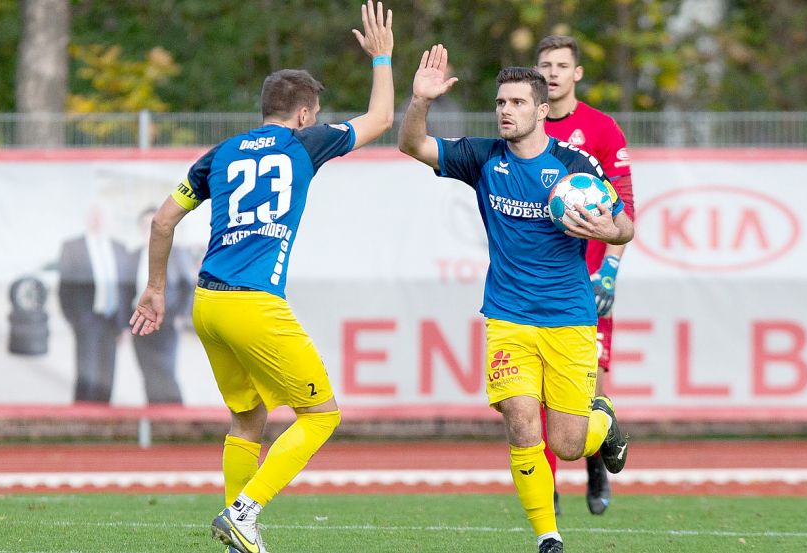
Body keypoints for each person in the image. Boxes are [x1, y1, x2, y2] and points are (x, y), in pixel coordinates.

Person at [129, 2, 394, 552]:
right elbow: (381, 120)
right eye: (315, 114)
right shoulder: (305, 143)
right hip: (254, 305)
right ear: (302, 116)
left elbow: (162, 219)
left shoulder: (220, 154)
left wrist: (155, 289)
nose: (318, 123)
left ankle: (235, 535)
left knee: (247, 418)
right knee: (322, 415)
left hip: (208, 304)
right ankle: (244, 513)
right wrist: (382, 59)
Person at [398, 46, 632, 553]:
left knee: (569, 445)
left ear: (541, 110)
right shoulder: (483, 158)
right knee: (522, 422)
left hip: (569, 318)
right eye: (500, 102)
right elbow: (412, 145)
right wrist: (420, 100)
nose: (505, 110)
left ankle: (603, 425)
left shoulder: (575, 165)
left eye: (517, 103)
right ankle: (548, 535)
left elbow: (626, 224)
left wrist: (609, 227)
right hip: (508, 317)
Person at [535, 34, 636, 516]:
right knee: (533, 393)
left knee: (586, 389)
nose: (552, 73)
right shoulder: (526, 130)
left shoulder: (601, 128)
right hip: (537, 285)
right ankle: (547, 491)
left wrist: (610, 272)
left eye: (561, 65)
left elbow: (626, 208)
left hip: (589, 284)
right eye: (545, 65)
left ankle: (596, 467)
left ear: (576, 73)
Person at [57, 203, 134, 403]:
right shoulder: (72, 247)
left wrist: (126, 324)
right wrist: (73, 319)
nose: (98, 220)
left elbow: (126, 290)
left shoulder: (119, 247)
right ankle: (82, 415)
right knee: (86, 372)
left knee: (108, 372)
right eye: (94, 216)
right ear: (87, 219)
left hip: (113, 320)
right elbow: (64, 287)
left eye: (102, 216)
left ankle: (103, 415)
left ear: (109, 221)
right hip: (87, 319)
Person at [129, 207, 192, 404]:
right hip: (139, 325)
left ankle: (177, 421)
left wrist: (181, 315)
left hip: (166, 321)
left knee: (166, 371)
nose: (150, 230)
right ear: (140, 229)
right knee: (148, 373)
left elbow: (188, 285)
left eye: (154, 225)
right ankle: (155, 422)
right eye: (146, 226)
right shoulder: (134, 256)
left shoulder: (175, 254)